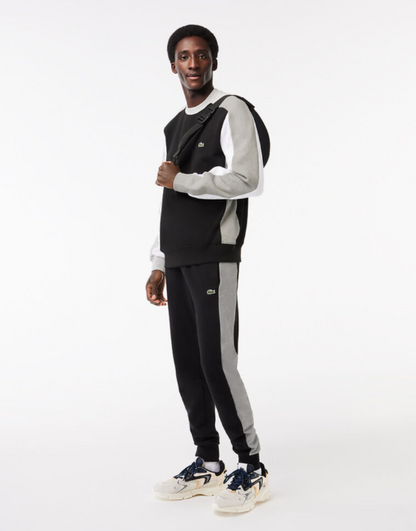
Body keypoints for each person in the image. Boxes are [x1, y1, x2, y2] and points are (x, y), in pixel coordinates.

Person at [145, 24, 270, 513]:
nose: (193, 63)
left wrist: (184, 181)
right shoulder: (174, 125)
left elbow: (248, 178)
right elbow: (169, 197)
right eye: (184, 56)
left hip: (214, 253)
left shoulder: (231, 109)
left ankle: (251, 466)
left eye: (201, 55)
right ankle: (208, 463)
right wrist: (158, 260)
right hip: (178, 257)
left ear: (214, 60)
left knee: (217, 362)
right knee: (188, 364)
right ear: (172, 65)